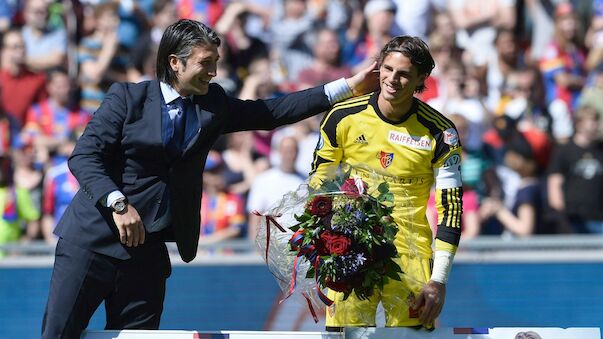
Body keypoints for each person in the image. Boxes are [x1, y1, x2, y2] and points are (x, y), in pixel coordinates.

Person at [41, 18, 377, 338]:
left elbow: (271, 112)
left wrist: (347, 87)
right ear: (175, 62)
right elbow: (84, 157)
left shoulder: (212, 104)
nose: (214, 72)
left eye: (216, 61)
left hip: (147, 254)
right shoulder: (127, 99)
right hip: (91, 243)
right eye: (206, 62)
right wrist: (117, 202)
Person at [310, 36, 463, 329]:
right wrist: (327, 237)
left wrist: (439, 280)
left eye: (404, 73)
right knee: (345, 336)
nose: (392, 79)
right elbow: (318, 185)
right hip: (351, 249)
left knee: (411, 337)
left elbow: (451, 210)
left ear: (422, 78)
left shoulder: (441, 133)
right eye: (387, 69)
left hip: (411, 254)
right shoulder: (342, 117)